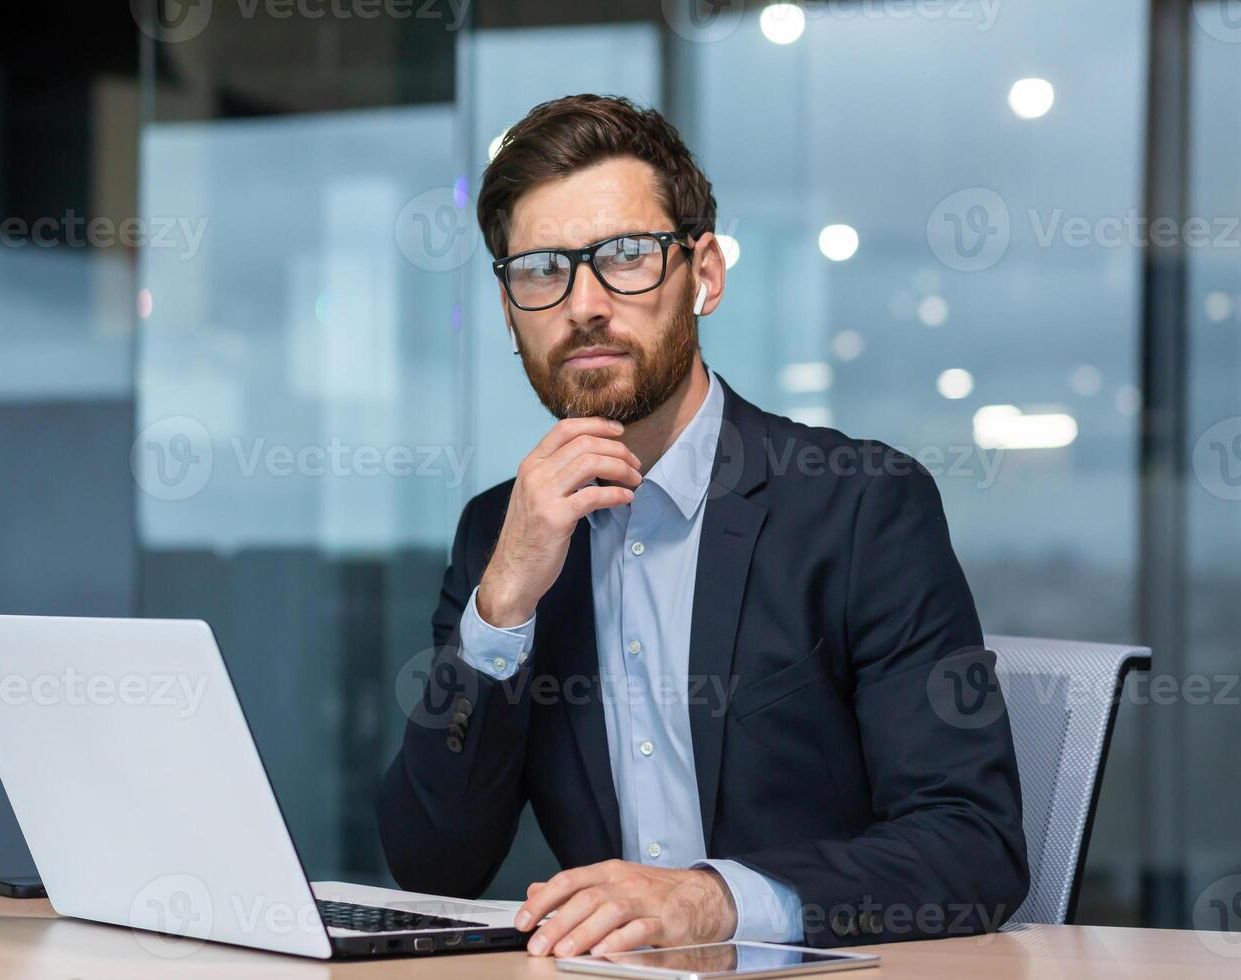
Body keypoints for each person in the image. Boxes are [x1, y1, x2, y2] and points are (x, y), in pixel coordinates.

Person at [378, 93, 1028, 957]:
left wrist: (716, 902)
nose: (584, 303)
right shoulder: (500, 532)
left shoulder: (861, 504)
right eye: (540, 269)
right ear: (508, 312)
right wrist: (500, 611)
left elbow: (974, 846)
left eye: (626, 257)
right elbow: (432, 864)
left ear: (705, 275)